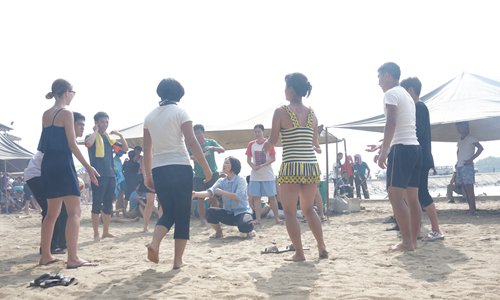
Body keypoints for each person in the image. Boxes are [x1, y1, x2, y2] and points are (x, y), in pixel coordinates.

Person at [143, 78, 212, 270]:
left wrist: (147, 174)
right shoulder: (181, 112)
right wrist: (206, 168)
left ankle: (155, 244)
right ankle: (177, 261)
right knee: (182, 215)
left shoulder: (149, 116)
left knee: (169, 211)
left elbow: (147, 149)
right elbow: (192, 142)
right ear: (179, 94)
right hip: (180, 167)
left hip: (159, 169)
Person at [263, 72, 328, 261]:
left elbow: (273, 140)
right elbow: (315, 143)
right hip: (309, 166)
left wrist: (265, 145)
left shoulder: (281, 112)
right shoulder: (312, 114)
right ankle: (321, 246)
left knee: (290, 212)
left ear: (291, 89)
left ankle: (299, 253)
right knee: (309, 209)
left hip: (291, 165)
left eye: (285, 87)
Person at [37, 79, 99, 268]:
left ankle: (45, 255)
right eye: (73, 92)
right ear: (66, 93)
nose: (73, 95)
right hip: (63, 164)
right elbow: (72, 145)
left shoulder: (46, 114)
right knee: (74, 212)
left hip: (48, 164)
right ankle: (72, 258)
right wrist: (88, 167)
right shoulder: (66, 113)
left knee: (51, 214)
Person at [25, 112, 87, 255]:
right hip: (37, 174)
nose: (82, 128)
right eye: (80, 125)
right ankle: (49, 249)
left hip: (46, 173)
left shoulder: (66, 138)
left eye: (84, 125)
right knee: (51, 211)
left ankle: (59, 244)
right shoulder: (63, 137)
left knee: (62, 210)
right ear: (71, 124)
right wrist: (87, 170)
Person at [376, 62, 422, 252]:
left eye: (379, 77)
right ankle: (413, 240)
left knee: (395, 197)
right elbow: (401, 124)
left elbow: (392, 122)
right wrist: (383, 145)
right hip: (414, 147)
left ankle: (406, 242)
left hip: (401, 149)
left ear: (388, 75)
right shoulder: (407, 95)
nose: (378, 82)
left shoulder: (391, 93)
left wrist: (383, 151)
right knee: (412, 198)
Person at [400, 77, 444, 241]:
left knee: (422, 194)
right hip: (420, 156)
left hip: (420, 157)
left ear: (411, 90)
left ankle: (436, 229)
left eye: (404, 91)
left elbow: (417, 131)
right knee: (413, 195)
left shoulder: (418, 106)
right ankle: (417, 230)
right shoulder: (417, 107)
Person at [85, 111, 129, 241]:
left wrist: (120, 135)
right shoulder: (91, 136)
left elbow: (125, 149)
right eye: (102, 122)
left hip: (110, 175)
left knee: (108, 205)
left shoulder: (109, 139)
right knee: (97, 205)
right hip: (98, 175)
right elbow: (88, 144)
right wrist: (95, 131)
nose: (105, 124)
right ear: (96, 123)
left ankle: (106, 231)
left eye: (107, 122)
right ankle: (95, 233)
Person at [193, 156, 256, 238]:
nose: (224, 165)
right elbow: (209, 192)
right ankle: (219, 232)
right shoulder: (221, 181)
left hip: (242, 212)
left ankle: (249, 230)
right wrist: (195, 194)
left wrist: (222, 192)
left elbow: (237, 197)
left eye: (227, 163)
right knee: (210, 212)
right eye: (224, 162)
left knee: (244, 226)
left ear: (234, 166)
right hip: (228, 213)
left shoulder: (241, 179)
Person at [246, 124, 282, 225]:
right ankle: (258, 219)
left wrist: (263, 165)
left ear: (262, 132)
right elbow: (248, 160)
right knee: (256, 198)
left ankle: (277, 218)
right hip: (255, 176)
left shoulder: (268, 143)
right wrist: (254, 167)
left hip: (268, 175)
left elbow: (273, 158)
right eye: (255, 132)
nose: (257, 134)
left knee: (272, 197)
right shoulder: (251, 144)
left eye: (259, 131)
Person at [190, 124, 225, 226]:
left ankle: (216, 218)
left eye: (199, 132)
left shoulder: (210, 142)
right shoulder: (192, 145)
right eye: (195, 133)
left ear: (203, 133)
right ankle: (202, 220)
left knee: (213, 197)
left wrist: (212, 148)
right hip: (199, 175)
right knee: (200, 198)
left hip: (213, 173)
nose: (197, 135)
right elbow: (190, 156)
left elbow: (222, 149)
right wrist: (198, 157)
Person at [455, 121, 483, 214]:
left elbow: (480, 148)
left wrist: (471, 159)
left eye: (460, 127)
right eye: (457, 127)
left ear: (466, 127)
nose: (459, 129)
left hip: (467, 166)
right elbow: (458, 151)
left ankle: (473, 209)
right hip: (460, 165)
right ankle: (471, 207)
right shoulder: (459, 139)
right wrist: (457, 161)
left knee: (469, 188)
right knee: (464, 188)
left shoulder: (471, 138)